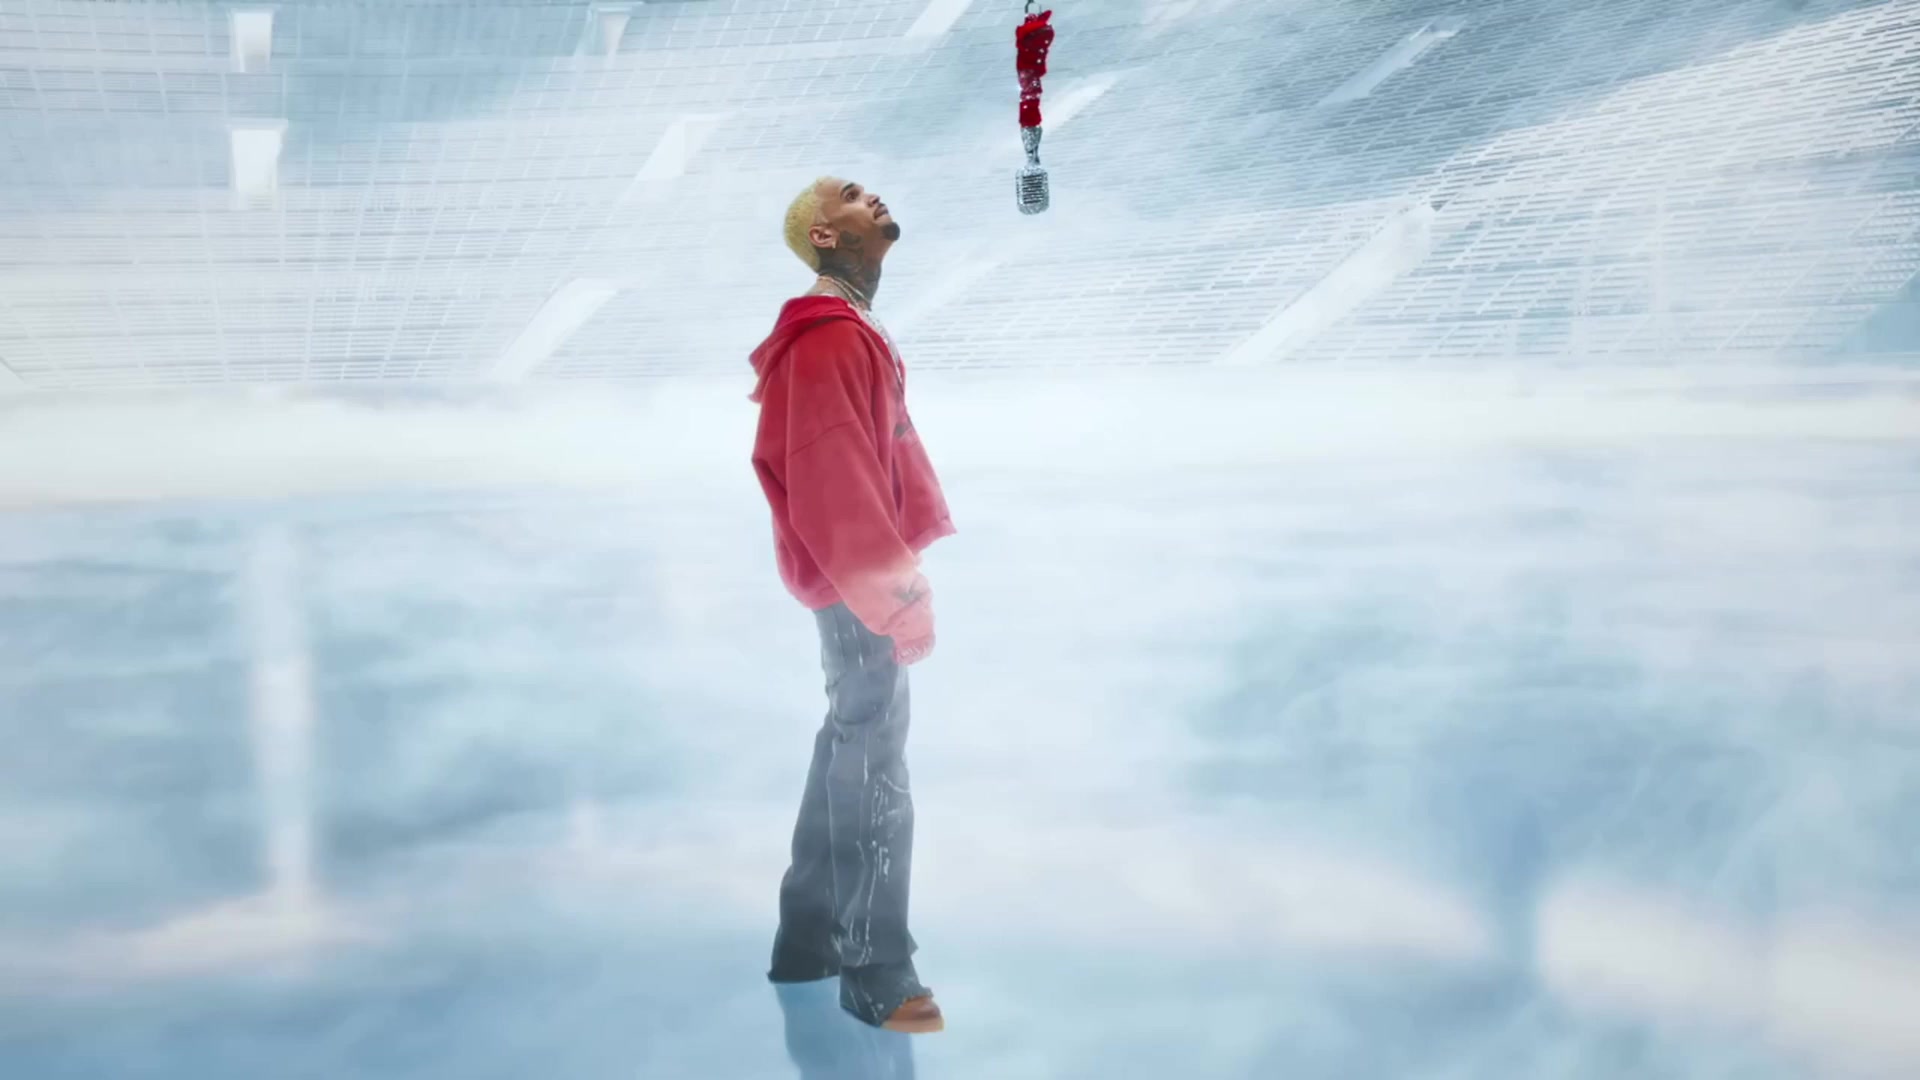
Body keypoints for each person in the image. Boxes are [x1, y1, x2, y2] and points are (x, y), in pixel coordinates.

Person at [746, 176, 955, 1034]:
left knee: (850, 735)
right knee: (874, 760)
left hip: (852, 574)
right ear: (825, 236)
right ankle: (876, 972)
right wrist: (896, 596)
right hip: (857, 578)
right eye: (852, 196)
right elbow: (836, 479)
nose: (874, 198)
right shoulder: (829, 338)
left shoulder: (843, 329)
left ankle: (807, 942)